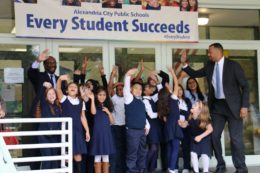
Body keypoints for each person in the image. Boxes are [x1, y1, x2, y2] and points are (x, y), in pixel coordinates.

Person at [181, 43, 249, 173]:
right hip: (217, 107)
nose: (208, 54)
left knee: (235, 139)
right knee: (214, 136)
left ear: (218, 52)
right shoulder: (209, 66)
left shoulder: (233, 66)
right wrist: (184, 64)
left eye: (210, 52)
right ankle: (221, 165)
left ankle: (241, 168)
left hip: (234, 107)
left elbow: (245, 86)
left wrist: (244, 106)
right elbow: (195, 73)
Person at [56, 74, 90, 173]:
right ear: (66, 90)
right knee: (67, 154)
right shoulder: (64, 99)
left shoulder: (81, 101)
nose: (73, 88)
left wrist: (87, 131)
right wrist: (60, 79)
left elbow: (83, 117)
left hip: (78, 131)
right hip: (66, 130)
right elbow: (58, 89)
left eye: (75, 87)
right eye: (70, 86)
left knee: (78, 154)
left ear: (78, 91)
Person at [124, 68, 150, 173]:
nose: (138, 90)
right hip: (132, 131)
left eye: (140, 89)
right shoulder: (129, 98)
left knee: (142, 152)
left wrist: (147, 126)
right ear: (131, 90)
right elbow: (126, 88)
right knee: (132, 153)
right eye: (136, 88)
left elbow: (143, 116)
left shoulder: (141, 102)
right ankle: (131, 171)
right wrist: (127, 75)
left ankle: (141, 170)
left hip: (142, 131)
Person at [157, 67, 183, 173]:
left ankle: (172, 168)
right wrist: (172, 73)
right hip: (175, 126)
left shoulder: (163, 103)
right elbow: (176, 84)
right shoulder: (173, 98)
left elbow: (163, 118)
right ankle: (172, 169)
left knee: (169, 148)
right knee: (175, 148)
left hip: (168, 127)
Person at [179, 101, 213, 173]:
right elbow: (186, 124)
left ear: (200, 110)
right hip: (194, 138)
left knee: (204, 155)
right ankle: (196, 171)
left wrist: (200, 137)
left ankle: (205, 171)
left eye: (196, 105)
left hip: (204, 139)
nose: (193, 105)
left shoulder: (204, 119)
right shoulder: (190, 117)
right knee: (193, 154)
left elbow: (210, 129)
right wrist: (182, 124)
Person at [87, 86, 115, 173]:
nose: (102, 97)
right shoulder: (94, 105)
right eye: (99, 95)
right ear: (96, 95)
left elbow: (113, 122)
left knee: (106, 155)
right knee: (97, 155)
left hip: (106, 134)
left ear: (106, 96)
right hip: (97, 134)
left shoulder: (108, 106)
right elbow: (93, 112)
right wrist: (91, 99)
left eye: (104, 95)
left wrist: (108, 112)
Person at [37, 82, 61, 170]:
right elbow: (40, 95)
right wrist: (43, 85)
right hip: (44, 136)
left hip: (55, 136)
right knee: (47, 159)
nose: (51, 95)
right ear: (46, 96)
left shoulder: (58, 107)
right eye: (49, 94)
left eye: (53, 93)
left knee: (55, 159)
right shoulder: (44, 104)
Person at [108, 66, 127, 173]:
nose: (120, 90)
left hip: (125, 127)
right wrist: (112, 75)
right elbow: (110, 88)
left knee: (124, 151)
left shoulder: (128, 98)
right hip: (115, 127)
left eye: (122, 89)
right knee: (115, 152)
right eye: (118, 89)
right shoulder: (114, 98)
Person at [142, 83, 162, 173]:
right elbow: (151, 115)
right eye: (148, 87)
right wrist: (160, 113)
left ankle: (151, 169)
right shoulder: (145, 100)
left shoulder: (150, 98)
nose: (150, 88)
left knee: (156, 148)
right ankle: (145, 167)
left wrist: (157, 83)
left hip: (156, 125)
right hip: (151, 126)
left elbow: (160, 93)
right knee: (153, 147)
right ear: (144, 91)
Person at [176, 84, 192, 173]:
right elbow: (175, 113)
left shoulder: (187, 100)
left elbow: (190, 113)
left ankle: (186, 166)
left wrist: (186, 121)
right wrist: (184, 112)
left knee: (186, 147)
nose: (179, 91)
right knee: (176, 147)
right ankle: (175, 167)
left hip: (186, 126)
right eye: (177, 90)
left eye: (180, 89)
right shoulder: (173, 101)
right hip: (177, 126)